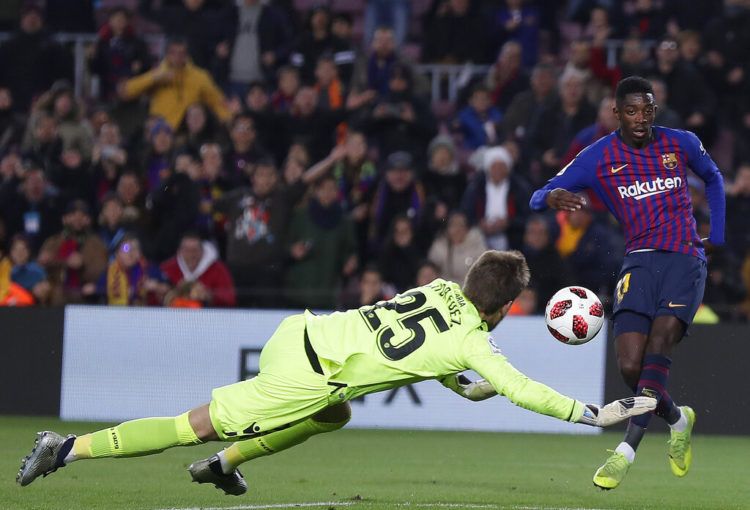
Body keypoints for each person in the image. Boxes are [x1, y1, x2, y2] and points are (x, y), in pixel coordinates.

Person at [17, 249, 655, 494]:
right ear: (508, 307)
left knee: (336, 414)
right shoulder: (475, 341)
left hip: (300, 330)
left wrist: (461, 385)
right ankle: (66, 448)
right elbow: (523, 390)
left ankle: (225, 467)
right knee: (195, 426)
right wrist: (590, 414)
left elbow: (422, 350)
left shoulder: (437, 288)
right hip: (302, 376)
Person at [529, 76, 726, 490]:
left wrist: (719, 234)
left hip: (684, 259)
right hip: (638, 262)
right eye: (632, 111)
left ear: (655, 110)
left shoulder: (681, 143)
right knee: (631, 367)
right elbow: (538, 193)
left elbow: (714, 177)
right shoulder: (597, 156)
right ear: (616, 113)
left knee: (660, 343)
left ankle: (625, 451)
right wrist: (549, 198)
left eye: (647, 110)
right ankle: (677, 417)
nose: (641, 119)